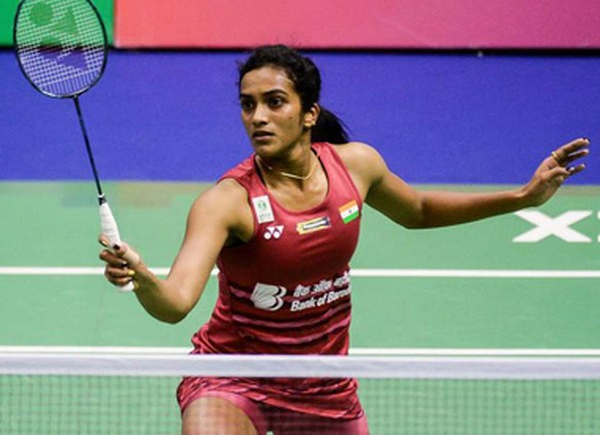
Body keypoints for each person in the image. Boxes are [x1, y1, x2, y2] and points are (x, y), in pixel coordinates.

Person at [99, 45, 590, 435]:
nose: (258, 117)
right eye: (248, 105)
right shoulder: (227, 202)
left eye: (274, 102)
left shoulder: (356, 166)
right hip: (233, 373)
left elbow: (417, 210)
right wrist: (142, 278)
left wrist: (522, 198)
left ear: (309, 113)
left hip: (323, 385)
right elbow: (175, 304)